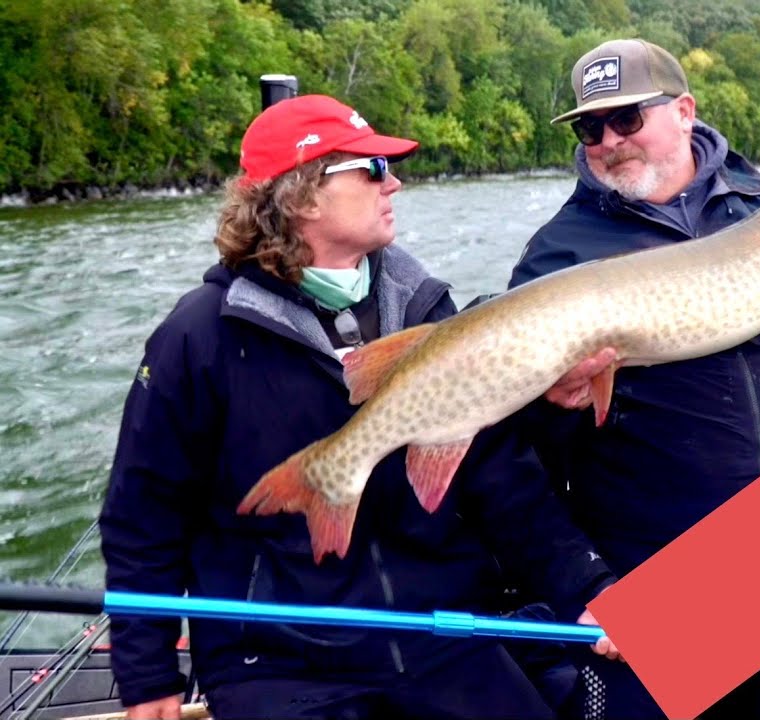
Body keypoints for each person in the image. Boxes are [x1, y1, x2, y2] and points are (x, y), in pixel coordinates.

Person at [99, 94, 621, 720]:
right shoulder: (199, 336)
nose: (393, 183)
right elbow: (143, 516)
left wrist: (589, 588)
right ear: (303, 197)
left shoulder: (427, 312)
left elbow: (499, 476)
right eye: (372, 169)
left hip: (443, 638)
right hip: (279, 664)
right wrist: (146, 673)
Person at [509, 39, 760, 719]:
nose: (607, 141)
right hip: (654, 572)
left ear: (685, 111)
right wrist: (585, 583)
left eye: (627, 118)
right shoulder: (559, 253)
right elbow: (522, 450)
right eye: (590, 127)